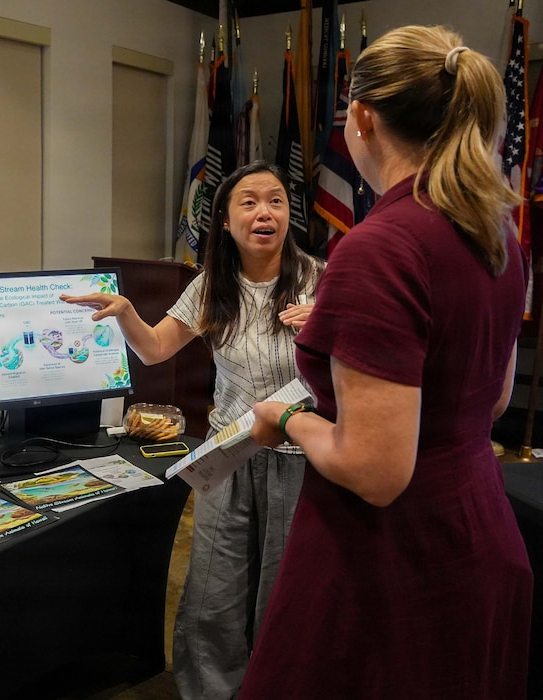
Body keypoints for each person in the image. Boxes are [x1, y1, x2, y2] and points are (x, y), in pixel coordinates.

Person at [243, 26, 532, 698]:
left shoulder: (381, 247)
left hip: (388, 562)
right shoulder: (497, 233)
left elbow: (375, 472)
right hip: (479, 535)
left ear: (364, 118)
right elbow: (489, 400)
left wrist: (286, 418)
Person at [63, 160, 324, 699]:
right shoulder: (213, 286)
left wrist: (328, 329)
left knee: (286, 590)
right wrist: (126, 311)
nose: (263, 212)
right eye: (248, 202)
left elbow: (356, 371)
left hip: (302, 456)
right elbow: (156, 349)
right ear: (225, 221)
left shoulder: (322, 280)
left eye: (275, 200)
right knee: (214, 591)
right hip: (228, 454)